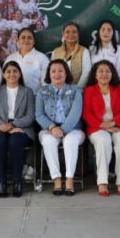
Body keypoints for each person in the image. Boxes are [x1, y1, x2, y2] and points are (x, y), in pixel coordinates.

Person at [82, 60, 120, 197]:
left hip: (117, 125)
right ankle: (102, 182)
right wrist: (102, 125)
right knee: (103, 140)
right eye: (101, 71)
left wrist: (113, 123)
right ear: (95, 75)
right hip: (97, 127)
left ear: (112, 74)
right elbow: (86, 113)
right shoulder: (89, 91)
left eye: (107, 71)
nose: (104, 74)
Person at [35, 59, 85, 196]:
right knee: (48, 141)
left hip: (73, 128)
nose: (57, 74)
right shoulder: (42, 91)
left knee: (70, 141)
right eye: (53, 71)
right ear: (49, 74)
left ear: (66, 73)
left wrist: (62, 130)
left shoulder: (75, 90)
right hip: (49, 129)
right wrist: (52, 127)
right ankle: (57, 179)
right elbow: (38, 114)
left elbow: (76, 113)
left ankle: (69, 179)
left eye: (60, 70)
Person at [0, 61, 36, 198]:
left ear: (20, 74)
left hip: (21, 128)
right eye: (8, 71)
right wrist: (4, 126)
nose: (12, 74)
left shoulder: (27, 91)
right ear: (3, 74)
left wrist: (14, 125)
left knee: (15, 142)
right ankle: (1, 182)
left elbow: (30, 116)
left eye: (15, 71)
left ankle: (17, 181)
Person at [5, 27, 49, 92]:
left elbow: (46, 84)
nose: (26, 40)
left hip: (35, 99)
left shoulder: (42, 58)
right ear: (18, 41)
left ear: (34, 42)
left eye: (29, 38)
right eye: (23, 37)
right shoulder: (10, 58)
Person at [51, 22, 92, 88]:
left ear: (78, 34)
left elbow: (86, 73)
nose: (71, 34)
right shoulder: (56, 51)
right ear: (63, 34)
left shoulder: (84, 51)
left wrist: (76, 89)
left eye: (74, 32)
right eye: (67, 32)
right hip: (57, 91)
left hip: (77, 91)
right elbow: (51, 72)